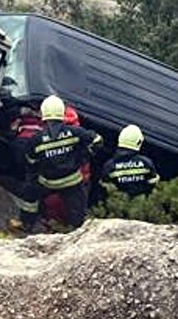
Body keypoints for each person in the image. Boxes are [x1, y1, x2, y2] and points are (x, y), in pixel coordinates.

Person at [19, 94, 103, 232]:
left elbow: (30, 161)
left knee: (30, 195)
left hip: (47, 181)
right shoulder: (74, 132)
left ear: (44, 114)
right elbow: (97, 140)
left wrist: (36, 173)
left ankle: (26, 224)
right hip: (72, 181)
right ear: (62, 113)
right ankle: (76, 233)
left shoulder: (37, 139)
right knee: (78, 214)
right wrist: (84, 156)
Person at [101, 124, 160, 199]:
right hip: (142, 206)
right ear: (139, 142)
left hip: (116, 207)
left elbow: (105, 189)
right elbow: (154, 185)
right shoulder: (146, 163)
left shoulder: (109, 166)